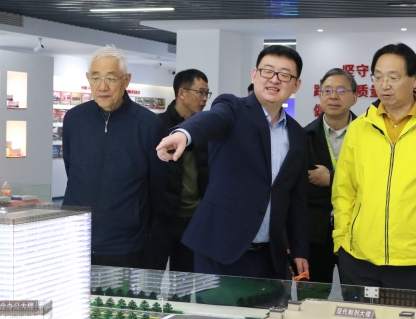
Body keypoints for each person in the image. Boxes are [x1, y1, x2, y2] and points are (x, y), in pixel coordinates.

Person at [156, 45, 309, 280]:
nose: (274, 79)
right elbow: (211, 120)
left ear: (296, 84)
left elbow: (297, 198)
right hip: (220, 249)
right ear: (254, 75)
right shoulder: (233, 109)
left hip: (270, 256)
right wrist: (184, 135)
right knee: (217, 307)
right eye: (267, 71)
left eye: (284, 74)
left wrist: (298, 250)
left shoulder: (297, 134)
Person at [332, 43, 416, 291]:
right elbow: (344, 190)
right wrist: (341, 241)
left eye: (393, 78)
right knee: (361, 318)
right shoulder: (359, 127)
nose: (384, 85)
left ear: (415, 78)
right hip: (359, 259)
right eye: (378, 77)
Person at [62, 45, 166, 268]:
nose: (102, 87)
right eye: (95, 78)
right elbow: (71, 169)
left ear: (126, 80)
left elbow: (157, 186)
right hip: (75, 238)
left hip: (125, 243)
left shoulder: (149, 125)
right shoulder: (74, 119)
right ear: (88, 79)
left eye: (110, 78)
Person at [143, 69, 210, 272]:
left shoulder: (204, 128)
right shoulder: (157, 126)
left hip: (194, 219)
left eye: (207, 93)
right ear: (182, 93)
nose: (204, 99)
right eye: (200, 92)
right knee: (152, 277)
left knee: (184, 280)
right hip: (162, 219)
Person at [305, 68, 358, 283]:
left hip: (357, 231)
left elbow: (377, 182)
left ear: (354, 97)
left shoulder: (371, 136)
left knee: (358, 296)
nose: (333, 96)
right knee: (314, 296)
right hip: (316, 233)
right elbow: (303, 189)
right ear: (320, 96)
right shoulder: (304, 136)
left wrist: (332, 179)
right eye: (327, 90)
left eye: (341, 91)